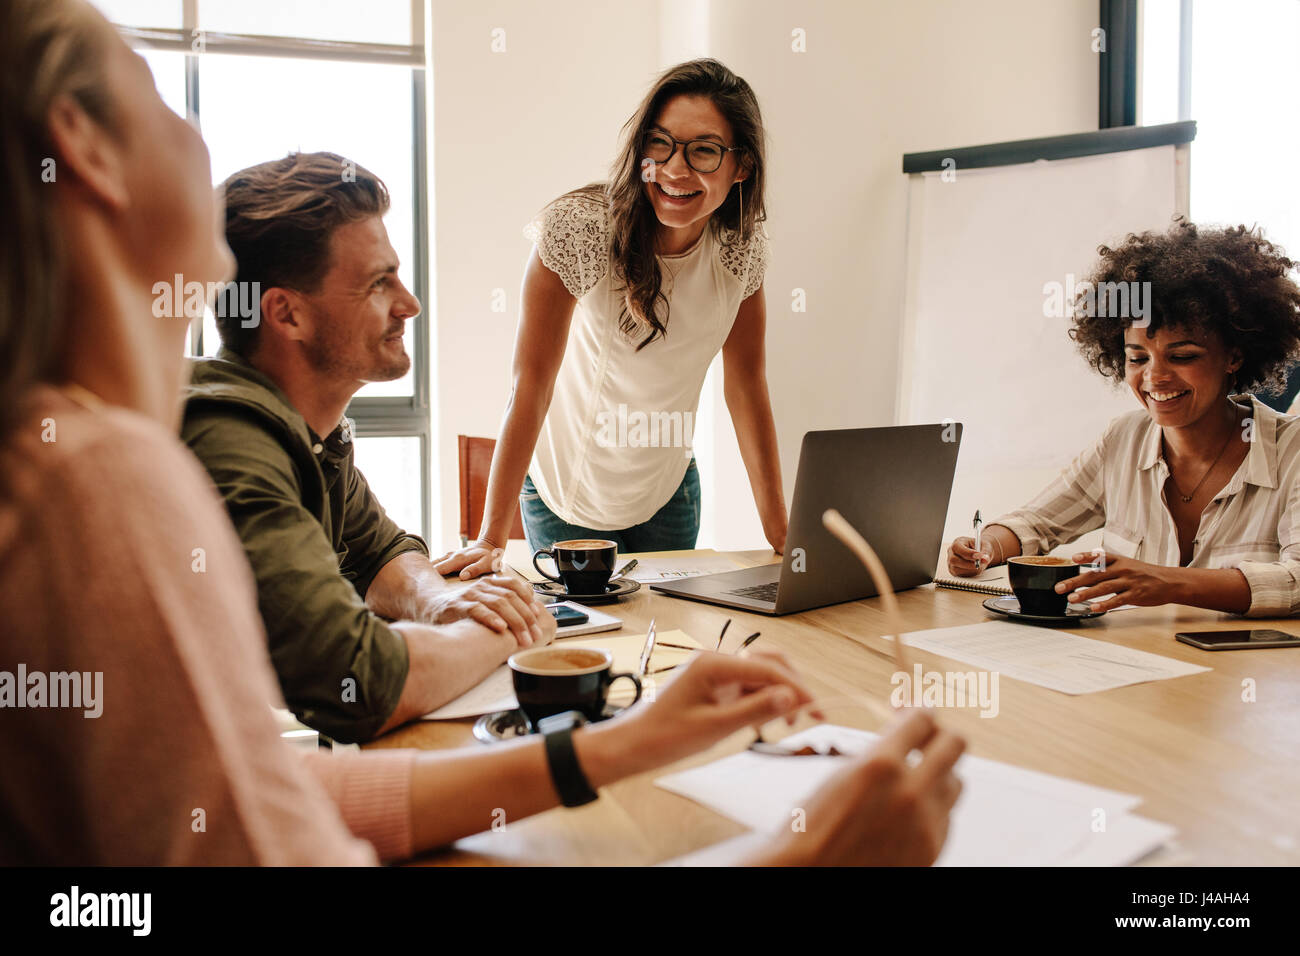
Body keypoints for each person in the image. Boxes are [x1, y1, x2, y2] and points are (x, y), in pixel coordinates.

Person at [0, 0, 964, 866]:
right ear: (80, 143)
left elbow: (266, 793)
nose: (412, 304)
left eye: (707, 152)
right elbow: (338, 710)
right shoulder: (105, 476)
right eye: (161, 98)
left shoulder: (205, 439)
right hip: (565, 498)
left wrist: (627, 740)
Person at [181, 152, 554, 743]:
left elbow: (377, 550)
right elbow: (353, 682)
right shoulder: (232, 441)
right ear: (288, 314)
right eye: (379, 284)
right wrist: (505, 632)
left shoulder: (307, 429)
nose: (410, 305)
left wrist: (440, 603)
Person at [436, 58, 787, 579]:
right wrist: (490, 538)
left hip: (669, 491)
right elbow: (531, 384)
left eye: (705, 150)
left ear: (742, 167)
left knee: (667, 643)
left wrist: (781, 531)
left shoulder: (740, 249)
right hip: (567, 496)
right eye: (660, 143)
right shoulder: (579, 230)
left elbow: (746, 384)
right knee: (583, 640)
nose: (674, 168)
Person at [947, 221, 1300, 616]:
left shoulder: (1291, 450)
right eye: (1137, 358)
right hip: (1135, 665)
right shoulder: (1124, 439)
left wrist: (1166, 582)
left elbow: (1298, 582)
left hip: (1241, 675)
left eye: (1183, 356)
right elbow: (1037, 523)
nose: (1155, 378)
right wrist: (987, 546)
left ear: (1234, 356)